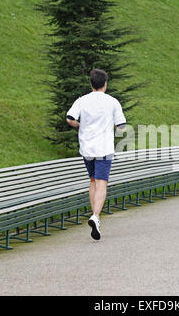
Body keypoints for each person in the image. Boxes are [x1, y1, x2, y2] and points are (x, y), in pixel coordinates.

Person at [66, 69, 127, 240]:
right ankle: (95, 215)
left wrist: (79, 126)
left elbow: (70, 118)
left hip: (87, 148)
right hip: (104, 148)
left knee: (92, 180)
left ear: (91, 84)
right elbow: (121, 125)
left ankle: (96, 218)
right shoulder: (112, 102)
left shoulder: (82, 100)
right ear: (105, 84)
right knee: (102, 183)